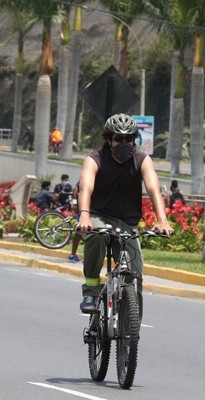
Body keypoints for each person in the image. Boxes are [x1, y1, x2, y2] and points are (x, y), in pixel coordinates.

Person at [76, 113, 173, 314]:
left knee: (135, 272)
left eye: (129, 139)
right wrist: (84, 215)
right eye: (119, 139)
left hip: (127, 223)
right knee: (95, 235)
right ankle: (91, 292)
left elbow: (153, 189)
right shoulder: (95, 159)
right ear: (108, 139)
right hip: (98, 216)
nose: (124, 143)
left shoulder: (141, 160)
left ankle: (131, 321)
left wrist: (162, 220)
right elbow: (85, 188)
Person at [68, 180, 82, 263]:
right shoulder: (88, 176)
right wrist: (74, 203)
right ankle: (73, 254)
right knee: (79, 231)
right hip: (82, 208)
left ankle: (74, 254)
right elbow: (75, 188)